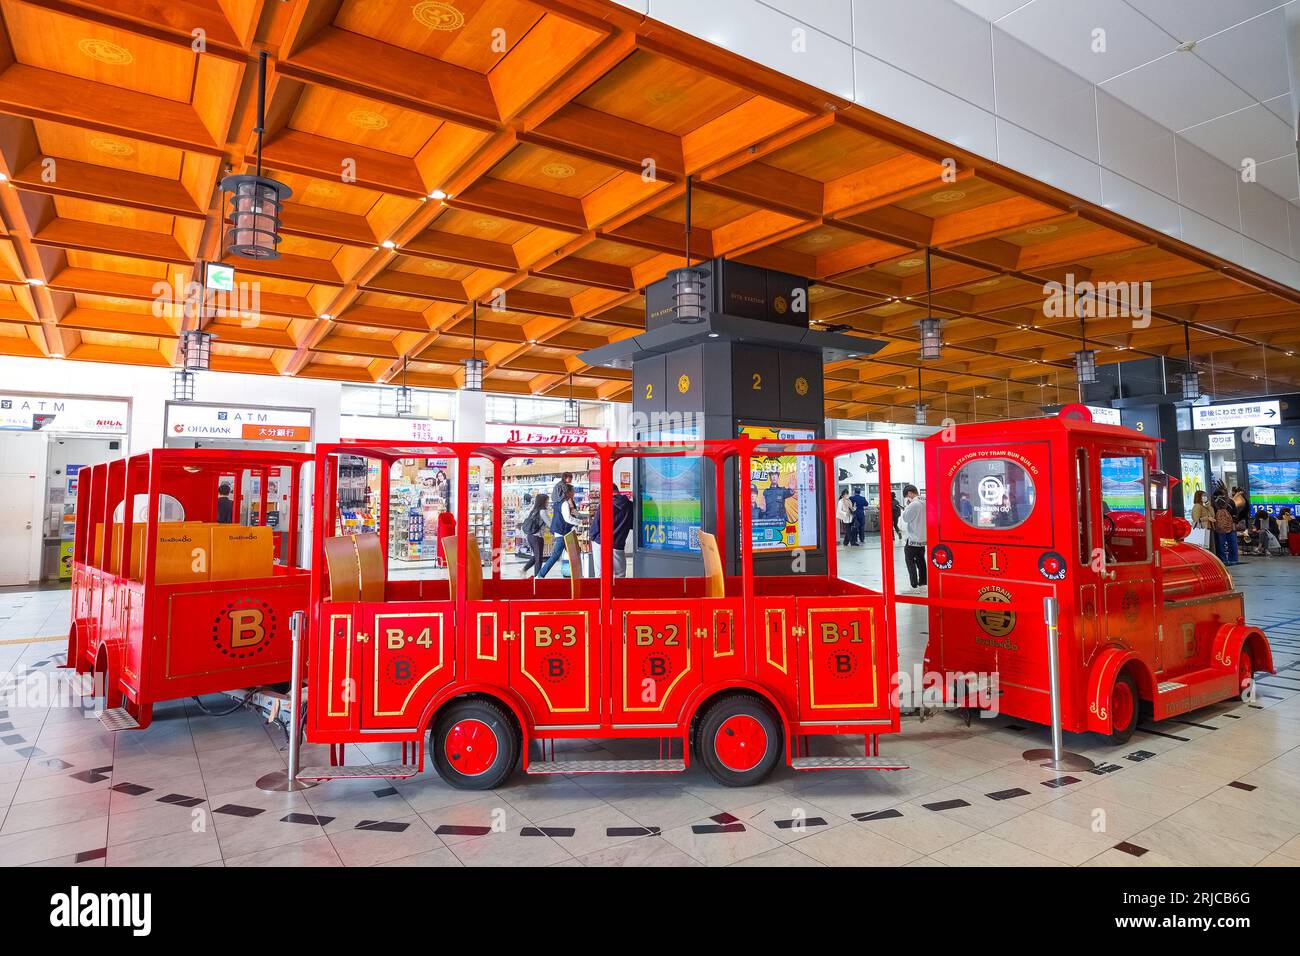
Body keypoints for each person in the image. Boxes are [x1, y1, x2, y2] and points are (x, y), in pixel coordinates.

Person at [538, 485, 581, 578]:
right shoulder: (564, 503)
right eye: (573, 491)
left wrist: (578, 515)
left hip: (562, 531)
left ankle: (571, 574)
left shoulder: (560, 502)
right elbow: (568, 518)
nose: (574, 493)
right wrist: (580, 522)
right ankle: (540, 575)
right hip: (562, 532)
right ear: (568, 492)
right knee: (556, 555)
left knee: (573, 553)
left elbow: (572, 513)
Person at [591, 488, 633, 578]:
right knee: (620, 575)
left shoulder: (605, 504)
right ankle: (618, 592)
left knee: (601, 575)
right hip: (618, 544)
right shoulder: (629, 505)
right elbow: (632, 525)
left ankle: (602, 592)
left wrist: (593, 538)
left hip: (601, 543)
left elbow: (595, 526)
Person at [898, 484, 926, 589]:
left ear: (910, 493)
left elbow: (906, 518)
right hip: (923, 538)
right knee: (921, 561)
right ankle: (923, 582)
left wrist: (906, 507)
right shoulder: (925, 500)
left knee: (910, 561)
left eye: (907, 496)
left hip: (913, 538)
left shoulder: (914, 504)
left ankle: (914, 584)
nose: (907, 498)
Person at [520, 493, 549, 578]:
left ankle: (523, 570)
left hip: (530, 536)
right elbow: (549, 523)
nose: (548, 502)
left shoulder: (533, 510)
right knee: (539, 558)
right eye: (547, 500)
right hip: (537, 537)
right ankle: (537, 578)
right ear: (543, 501)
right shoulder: (542, 511)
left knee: (535, 556)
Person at [1212, 493, 1239, 566]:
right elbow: (1236, 513)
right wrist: (1234, 523)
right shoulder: (1230, 501)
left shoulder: (1213, 501)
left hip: (1219, 527)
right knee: (1232, 543)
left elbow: (1212, 514)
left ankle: (1223, 560)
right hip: (1231, 526)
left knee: (1220, 544)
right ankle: (1233, 559)